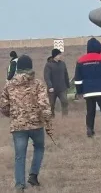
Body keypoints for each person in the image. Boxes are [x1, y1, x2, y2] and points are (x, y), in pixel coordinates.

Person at [0, 55, 53, 191]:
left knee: (19, 155)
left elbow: (3, 106)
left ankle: (19, 184)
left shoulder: (9, 85)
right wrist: (47, 121)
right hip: (36, 124)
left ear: (18, 68)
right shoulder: (38, 84)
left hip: (18, 126)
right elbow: (44, 105)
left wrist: (13, 115)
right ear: (31, 67)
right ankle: (33, 176)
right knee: (39, 148)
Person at [74, 38, 101, 139]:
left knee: (90, 111)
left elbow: (78, 79)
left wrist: (80, 91)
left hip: (88, 91)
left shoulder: (80, 61)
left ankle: (90, 130)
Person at [44, 49, 70, 117]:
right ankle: (52, 117)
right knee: (51, 104)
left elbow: (66, 75)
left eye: (60, 54)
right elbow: (47, 77)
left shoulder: (63, 64)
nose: (60, 56)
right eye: (59, 54)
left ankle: (65, 117)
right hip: (52, 89)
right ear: (55, 56)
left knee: (65, 102)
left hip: (62, 88)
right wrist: (50, 86)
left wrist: (67, 85)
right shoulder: (48, 65)